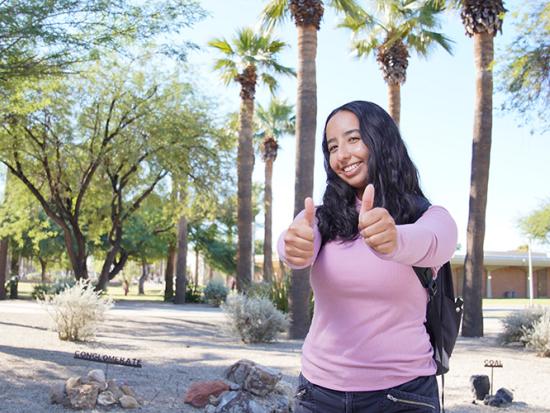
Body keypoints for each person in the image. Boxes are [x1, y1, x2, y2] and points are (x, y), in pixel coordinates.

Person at [277, 101, 457, 412]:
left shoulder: (428, 216)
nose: (342, 155)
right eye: (332, 147)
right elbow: (295, 242)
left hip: (403, 395)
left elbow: (433, 243)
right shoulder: (322, 218)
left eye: (353, 139)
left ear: (380, 140)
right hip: (318, 394)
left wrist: (395, 239)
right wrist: (292, 246)